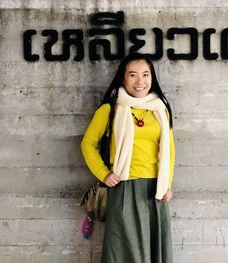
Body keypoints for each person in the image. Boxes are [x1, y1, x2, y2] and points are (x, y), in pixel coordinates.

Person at [81, 52, 175, 263]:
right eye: (133, 75)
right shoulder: (111, 109)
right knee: (124, 251)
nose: (140, 81)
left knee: (153, 252)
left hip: (155, 190)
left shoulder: (161, 109)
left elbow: (168, 149)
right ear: (123, 78)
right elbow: (88, 143)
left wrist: (166, 185)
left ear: (152, 78)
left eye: (145, 74)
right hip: (124, 188)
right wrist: (104, 174)